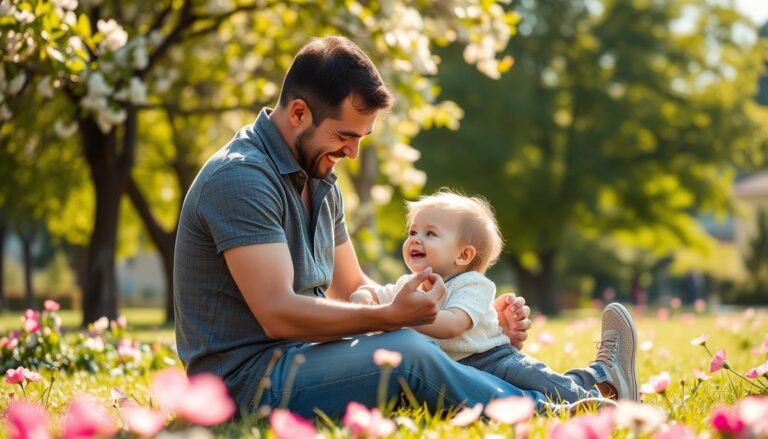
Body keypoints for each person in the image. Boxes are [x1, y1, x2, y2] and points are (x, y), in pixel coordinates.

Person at [173, 35, 615, 419]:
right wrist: (388, 318)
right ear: (299, 113)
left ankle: (594, 385)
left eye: (360, 139)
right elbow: (277, 313)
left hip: (299, 358)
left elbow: (353, 286)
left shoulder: (318, 177)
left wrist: (468, 319)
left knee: (430, 344)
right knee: (408, 352)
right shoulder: (242, 178)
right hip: (245, 384)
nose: (351, 153)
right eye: (345, 136)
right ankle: (552, 412)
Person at [350, 191, 639, 404]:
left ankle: (602, 393)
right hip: (457, 371)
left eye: (430, 233)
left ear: (464, 255)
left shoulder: (473, 285)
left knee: (545, 382)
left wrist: (400, 315)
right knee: (524, 398)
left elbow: (451, 324)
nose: (415, 239)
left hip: (493, 360)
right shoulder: (407, 285)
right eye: (413, 231)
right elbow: (378, 294)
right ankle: (598, 384)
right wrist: (364, 296)